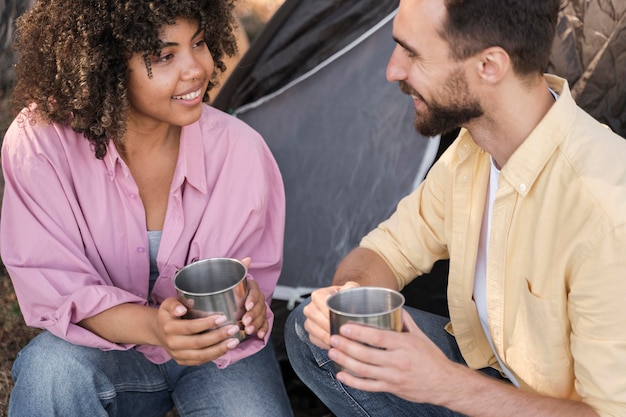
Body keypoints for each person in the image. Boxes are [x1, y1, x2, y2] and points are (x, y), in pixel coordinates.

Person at [285, 0, 626, 416]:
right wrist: (350, 299)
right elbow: (385, 250)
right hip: (494, 378)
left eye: (412, 52)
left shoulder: (607, 212)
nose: (393, 69)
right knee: (315, 332)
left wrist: (444, 385)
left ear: (489, 66)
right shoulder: (474, 149)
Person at [0, 0, 294, 416]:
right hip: (102, 351)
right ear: (105, 64)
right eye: (165, 55)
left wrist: (247, 305)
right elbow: (56, 284)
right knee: (51, 373)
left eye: (200, 43)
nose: (195, 69)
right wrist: (156, 327)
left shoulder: (239, 150)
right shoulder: (41, 144)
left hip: (217, 354)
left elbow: (247, 283)